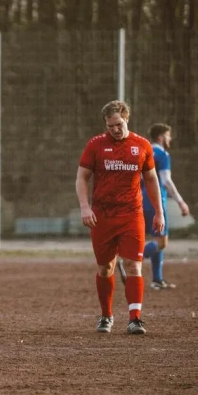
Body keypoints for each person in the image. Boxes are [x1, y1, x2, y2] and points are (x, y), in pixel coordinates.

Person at [75, 100, 165, 335]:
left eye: (118, 124)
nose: (114, 129)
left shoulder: (142, 145)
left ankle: (135, 318)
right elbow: (82, 178)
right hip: (102, 216)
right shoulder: (95, 145)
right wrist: (85, 207)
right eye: (110, 125)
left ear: (127, 119)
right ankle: (106, 316)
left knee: (133, 265)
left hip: (131, 214)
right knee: (105, 268)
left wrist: (159, 211)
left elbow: (152, 179)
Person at [127, 123, 189, 290]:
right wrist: (181, 202)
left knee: (155, 239)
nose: (170, 139)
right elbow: (166, 181)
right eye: (168, 135)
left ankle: (157, 278)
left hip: (139, 201)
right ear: (161, 137)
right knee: (161, 242)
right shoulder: (162, 155)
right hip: (156, 202)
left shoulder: (142, 152)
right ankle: (130, 264)